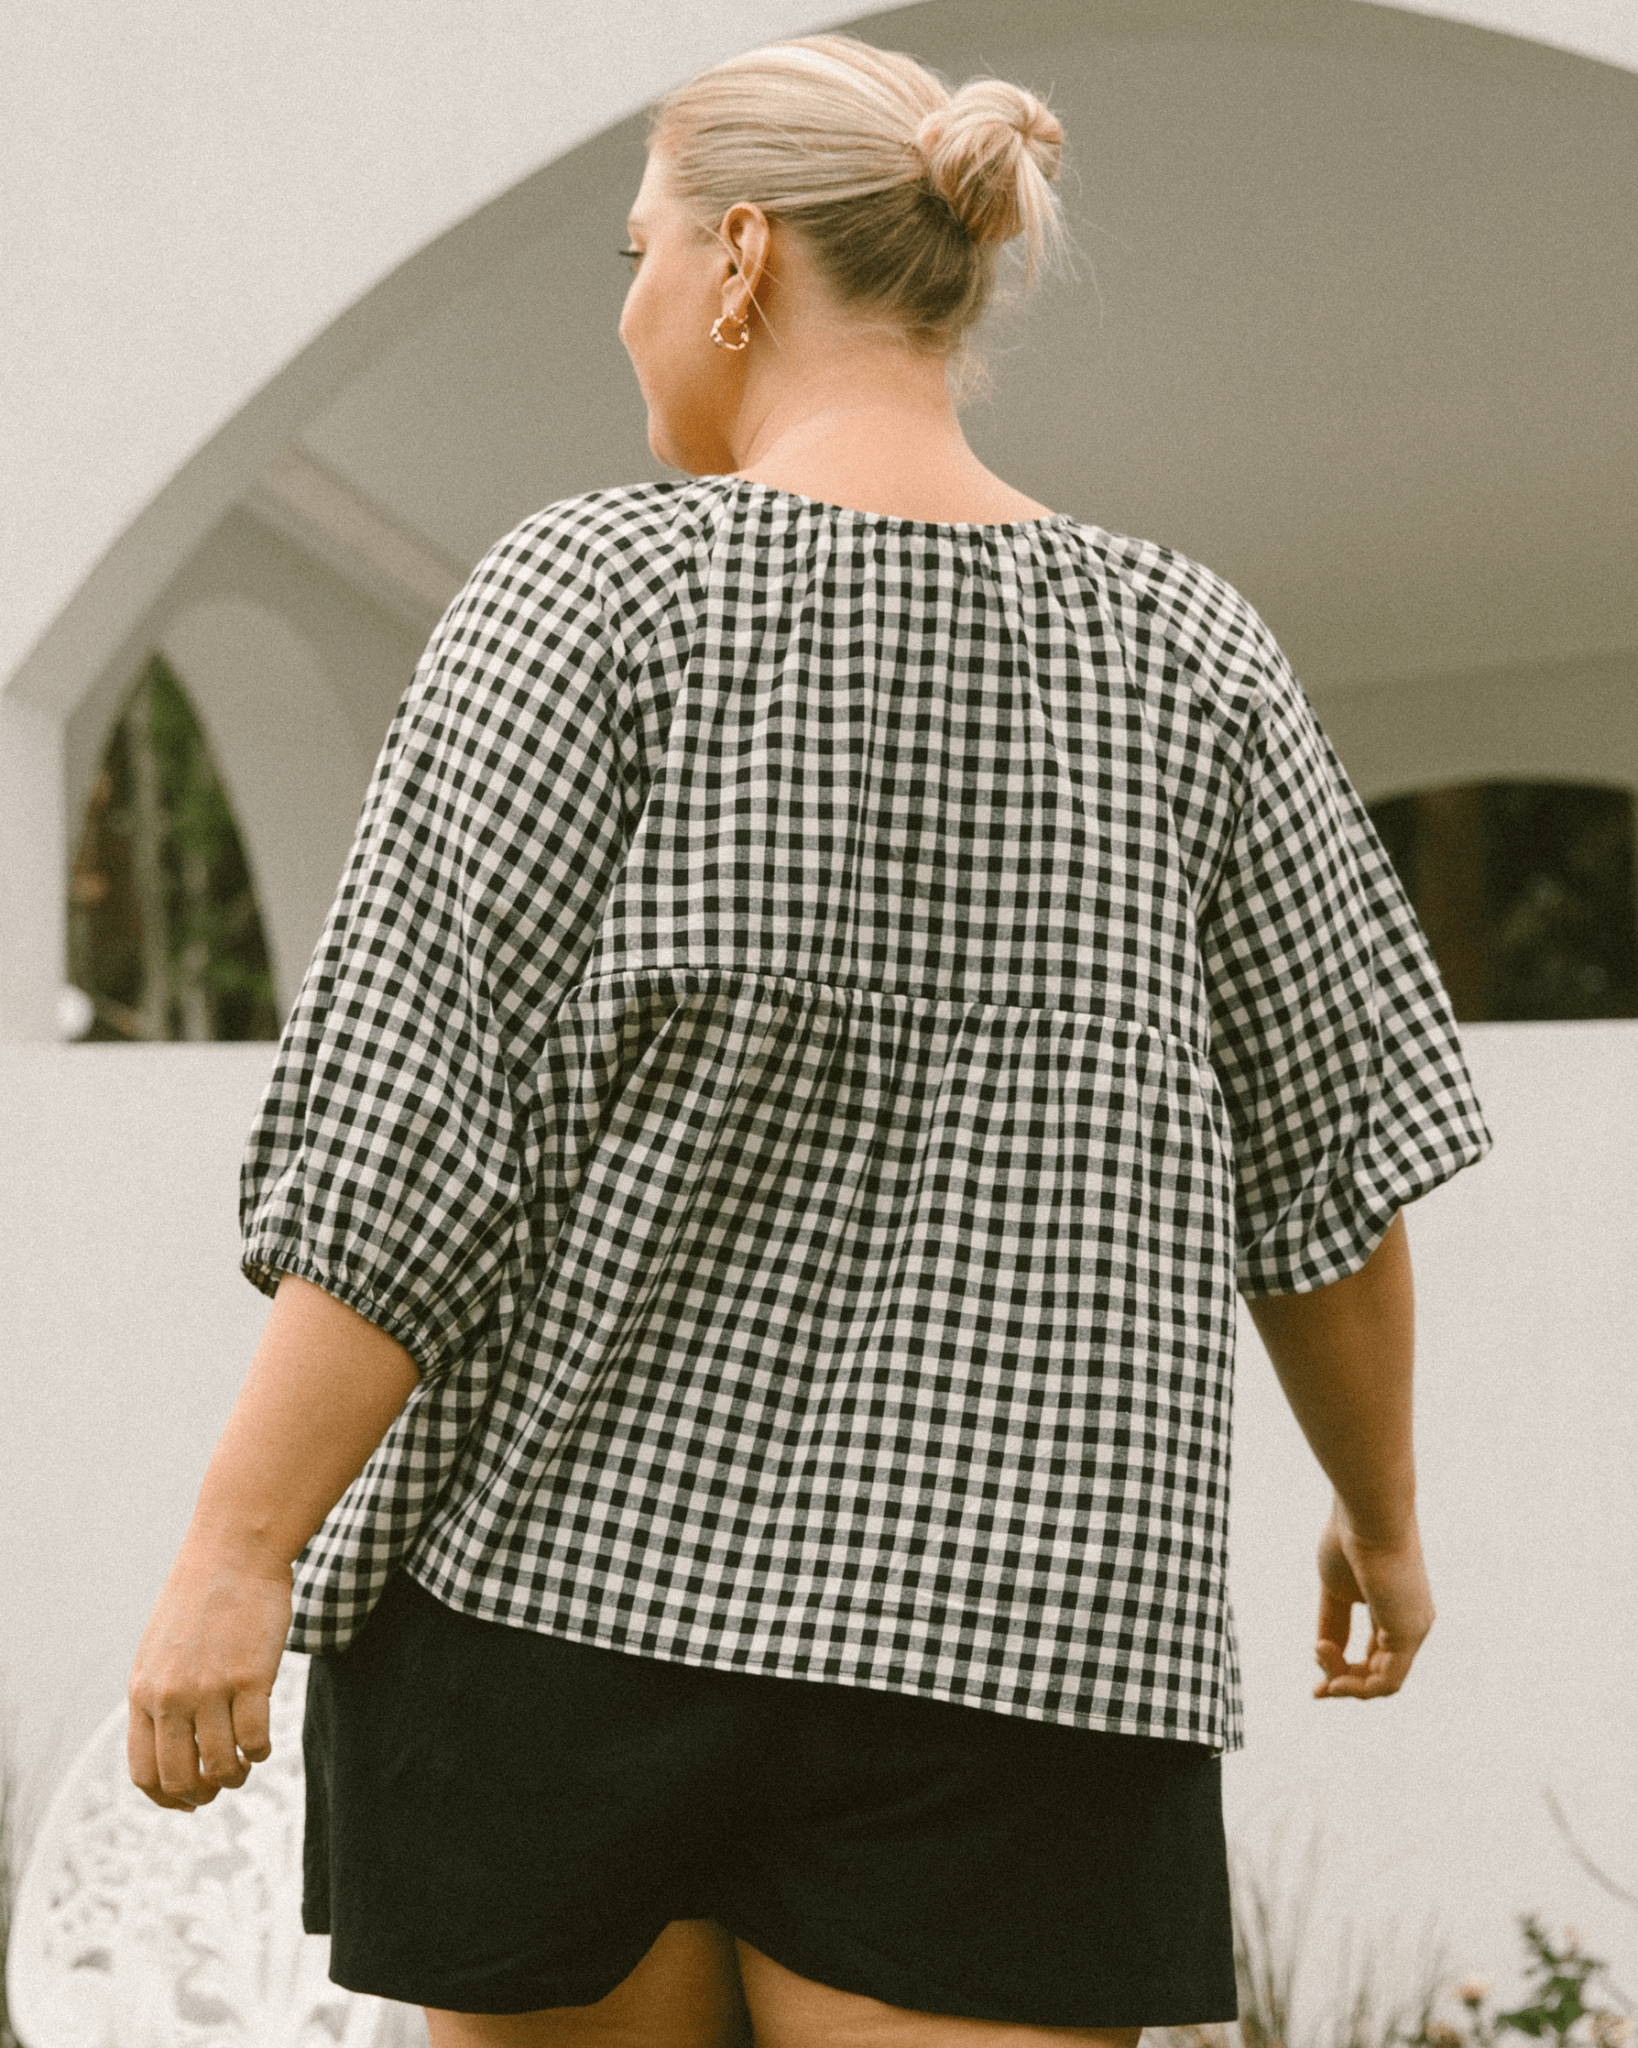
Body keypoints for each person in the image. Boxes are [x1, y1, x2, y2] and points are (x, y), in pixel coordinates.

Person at [126, 31, 1491, 2048]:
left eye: (640, 251)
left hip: (557, 1616)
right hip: (1023, 1647)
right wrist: (1380, 1511)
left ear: (741, 256)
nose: (631, 307)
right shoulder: (1192, 654)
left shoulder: (586, 598)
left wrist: (236, 1556)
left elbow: (413, 1133)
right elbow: (1329, 1163)